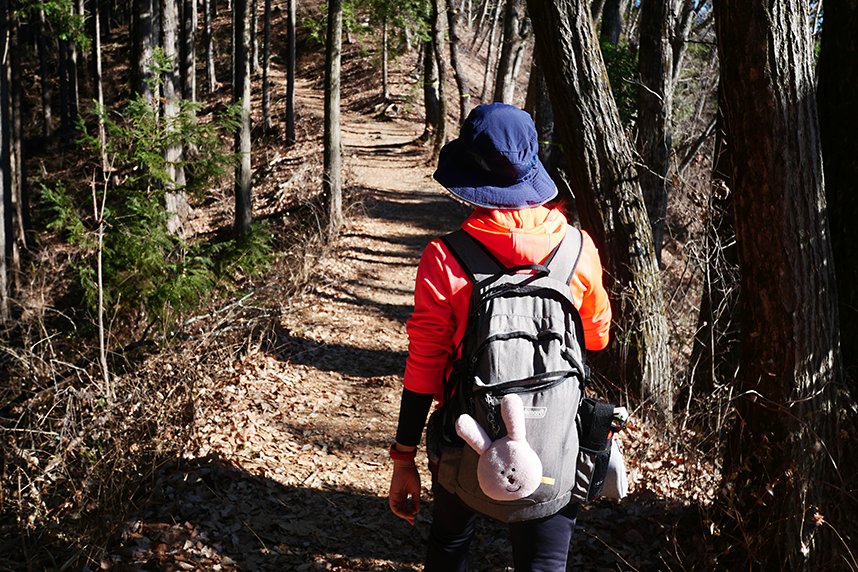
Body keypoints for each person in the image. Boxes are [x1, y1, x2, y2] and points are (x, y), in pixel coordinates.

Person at [388, 103, 612, 572]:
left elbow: (425, 365)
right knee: (544, 564)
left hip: (465, 440)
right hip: (555, 444)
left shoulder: (445, 257)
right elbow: (596, 338)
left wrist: (404, 457)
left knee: (449, 544)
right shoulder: (578, 248)